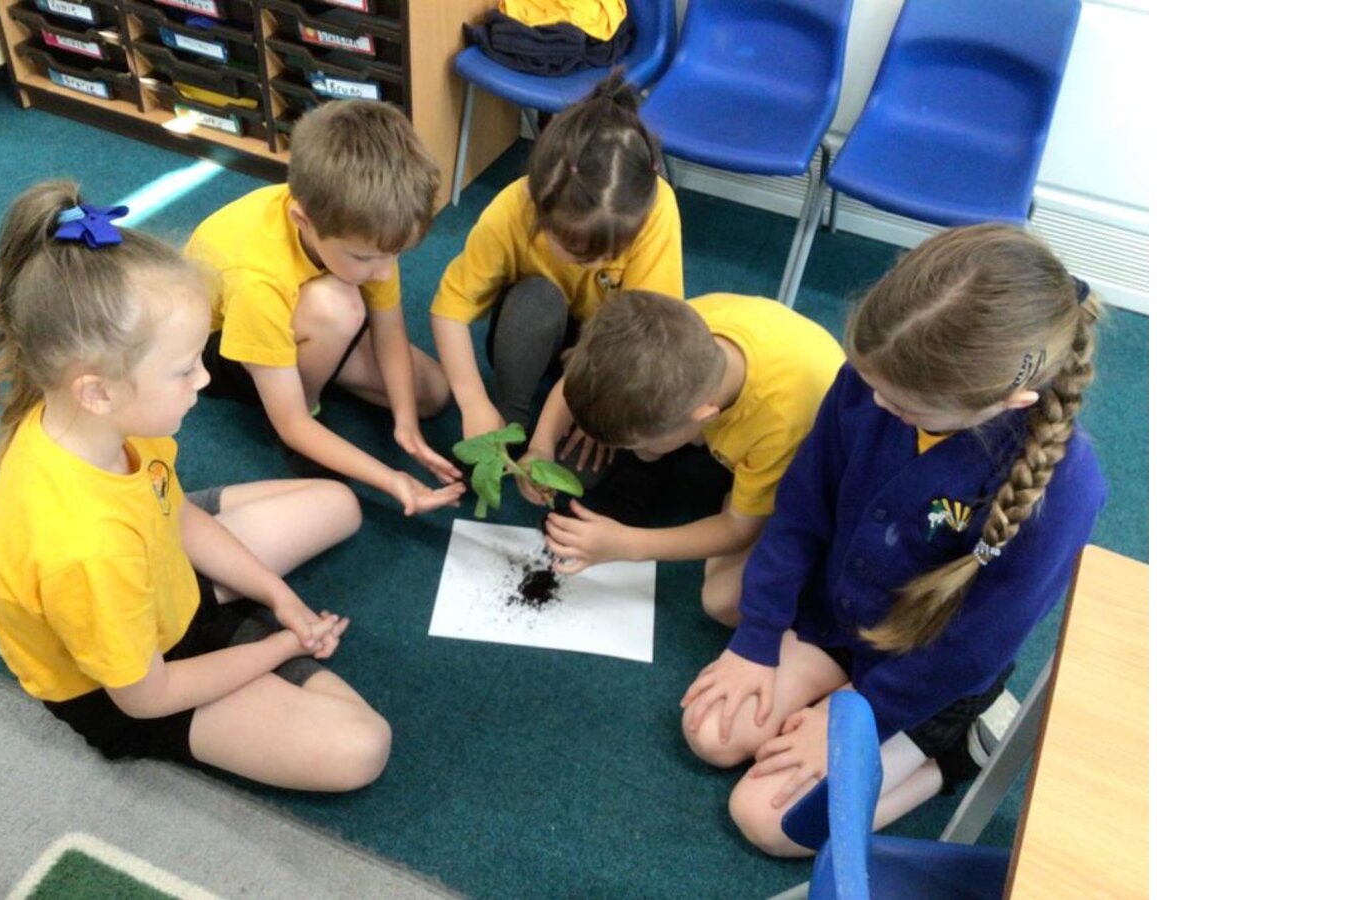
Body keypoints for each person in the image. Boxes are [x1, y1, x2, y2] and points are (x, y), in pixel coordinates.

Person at [680, 224, 1108, 854]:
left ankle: (952, 756)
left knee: (769, 821)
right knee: (711, 733)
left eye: (907, 408)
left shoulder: (1065, 488)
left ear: (1010, 401)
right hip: (838, 621)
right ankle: (836, 701)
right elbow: (800, 511)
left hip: (926, 679)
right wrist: (757, 638)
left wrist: (863, 713)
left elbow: (973, 647)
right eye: (873, 384)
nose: (878, 402)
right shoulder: (877, 377)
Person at [0, 181, 390, 791]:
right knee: (361, 747)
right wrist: (277, 648)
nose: (205, 379)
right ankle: (234, 639)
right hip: (134, 684)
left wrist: (276, 597)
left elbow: (173, 511)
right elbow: (147, 696)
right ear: (98, 390)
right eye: (186, 369)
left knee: (338, 504)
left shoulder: (110, 423)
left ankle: (232, 622)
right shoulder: (87, 551)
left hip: (159, 577)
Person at [185, 100, 464, 516]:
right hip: (218, 349)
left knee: (432, 394)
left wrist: (405, 421)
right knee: (337, 307)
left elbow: (389, 329)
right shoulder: (258, 280)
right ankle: (308, 394)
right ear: (304, 221)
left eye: (395, 254)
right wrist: (392, 479)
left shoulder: (368, 233)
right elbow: (292, 424)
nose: (384, 272)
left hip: (310, 314)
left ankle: (318, 357)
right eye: (366, 258)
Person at [531, 291, 845, 623]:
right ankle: (732, 483)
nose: (631, 452)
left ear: (703, 417)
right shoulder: (670, 333)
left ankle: (747, 492)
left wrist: (626, 544)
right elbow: (577, 380)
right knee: (643, 453)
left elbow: (738, 529)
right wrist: (541, 446)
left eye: (634, 444)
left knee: (723, 601)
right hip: (754, 391)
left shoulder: (781, 424)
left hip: (812, 464)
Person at [430, 70, 683, 456]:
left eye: (609, 251)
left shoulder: (656, 208)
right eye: (577, 249)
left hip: (610, 348)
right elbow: (449, 310)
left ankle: (560, 418)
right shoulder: (513, 208)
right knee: (536, 298)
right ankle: (512, 414)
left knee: (584, 471)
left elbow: (644, 336)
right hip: (532, 333)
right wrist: (473, 403)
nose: (594, 264)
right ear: (539, 208)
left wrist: (592, 409)